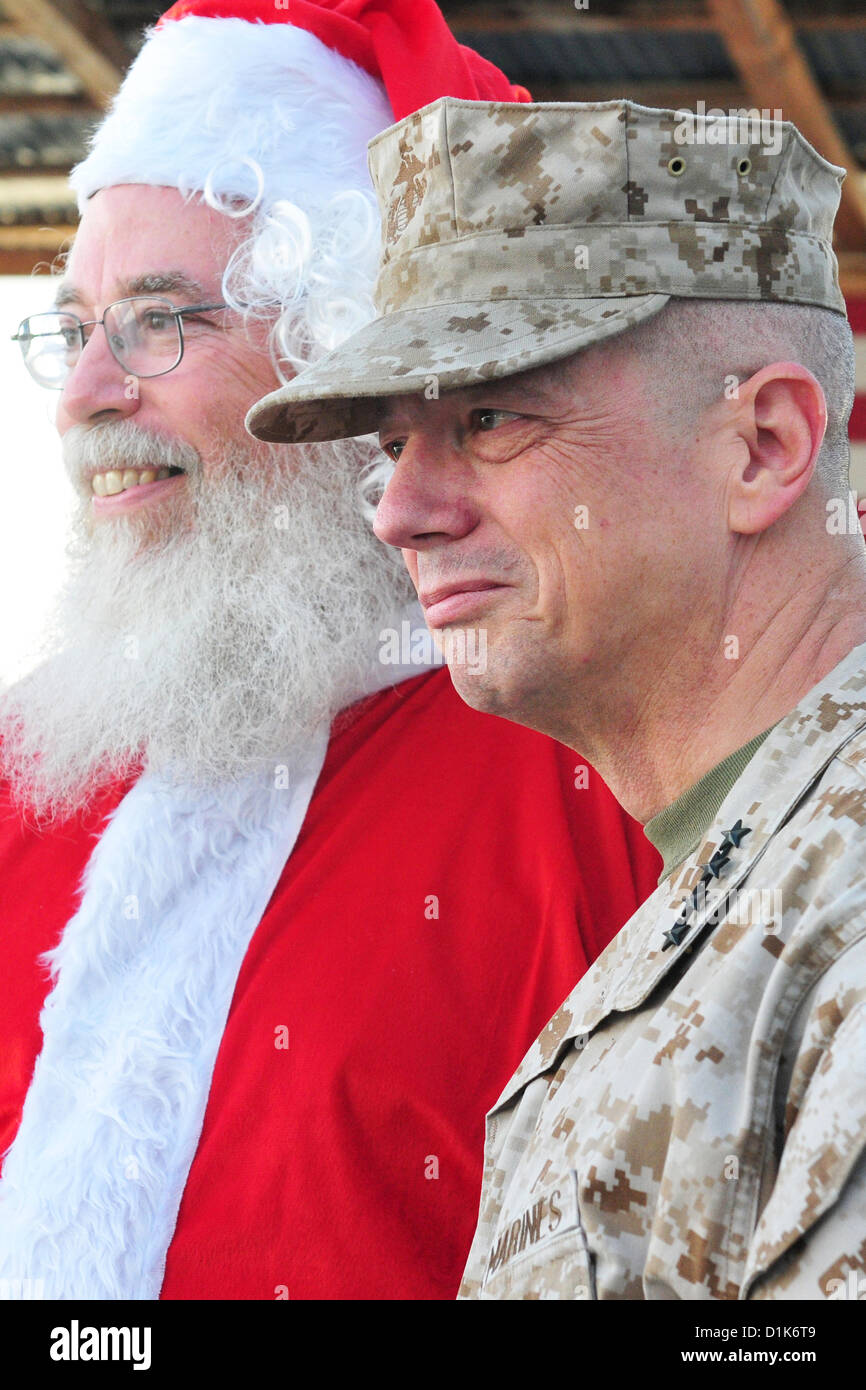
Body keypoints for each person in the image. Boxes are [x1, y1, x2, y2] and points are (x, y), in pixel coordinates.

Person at [0, 10, 660, 1301]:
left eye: (158, 320)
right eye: (71, 326)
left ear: (354, 361)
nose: (84, 391)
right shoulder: (29, 766)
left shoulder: (604, 770)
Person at [249, 95, 866, 1300]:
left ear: (761, 447)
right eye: (392, 443)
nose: (398, 511)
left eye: (488, 418)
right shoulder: (738, 885)